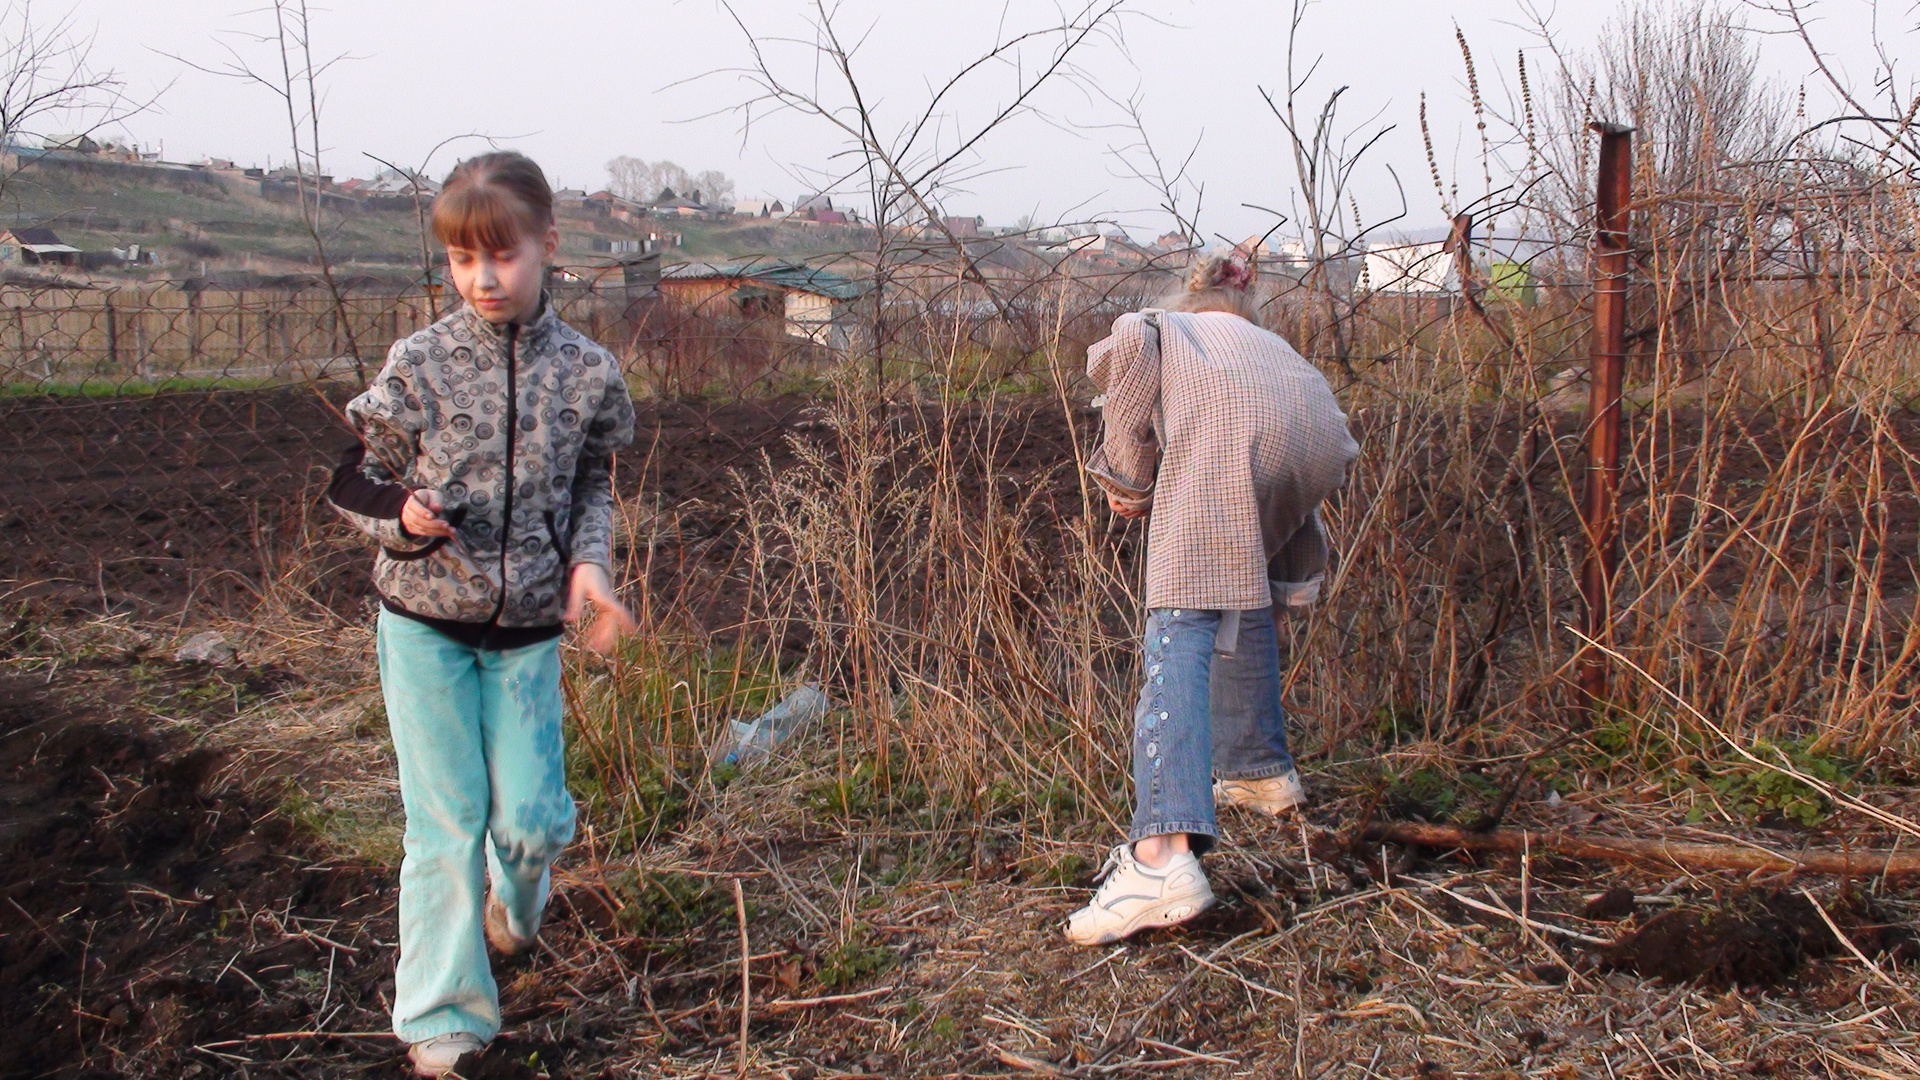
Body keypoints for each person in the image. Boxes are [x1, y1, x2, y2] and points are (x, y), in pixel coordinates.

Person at [325, 151, 637, 1076]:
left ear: (548, 245)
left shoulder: (586, 373)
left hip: (529, 634)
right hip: (423, 624)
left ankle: (516, 909)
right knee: (446, 823)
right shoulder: (418, 365)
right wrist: (403, 516)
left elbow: (592, 484)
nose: (483, 278)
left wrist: (591, 568)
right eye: (463, 260)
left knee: (534, 824)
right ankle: (444, 1023)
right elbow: (354, 476)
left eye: (501, 255)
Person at [1066, 253, 1358, 946]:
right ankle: (1260, 772)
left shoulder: (1161, 326)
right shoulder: (1270, 346)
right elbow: (1313, 434)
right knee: (1240, 589)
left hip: (1231, 446)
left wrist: (1129, 482)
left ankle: (1160, 856)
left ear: (1189, 300)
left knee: (1182, 615)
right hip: (1321, 447)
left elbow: (1124, 363)